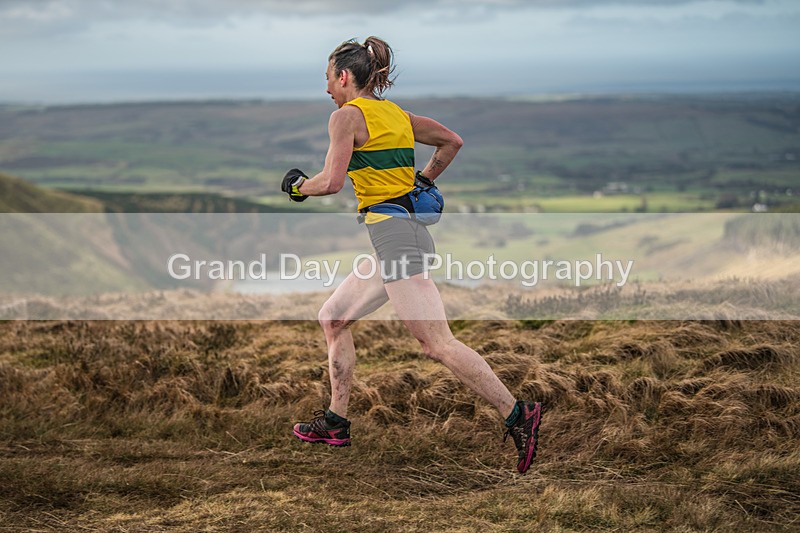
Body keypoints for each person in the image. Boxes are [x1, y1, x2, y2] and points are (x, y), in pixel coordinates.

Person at [281, 36, 542, 474]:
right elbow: (452, 141)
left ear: (344, 77)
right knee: (333, 318)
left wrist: (295, 186)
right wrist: (420, 183)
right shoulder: (397, 115)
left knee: (436, 343)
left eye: (328, 78)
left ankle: (519, 414)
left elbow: (330, 182)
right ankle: (336, 422)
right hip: (395, 238)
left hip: (399, 241)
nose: (326, 87)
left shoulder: (345, 117)